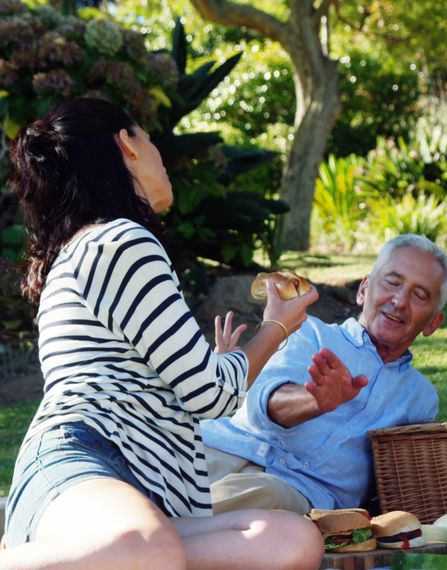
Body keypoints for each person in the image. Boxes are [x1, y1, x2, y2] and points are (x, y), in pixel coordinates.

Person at [1, 98, 323, 569]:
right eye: (150, 139)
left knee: (289, 539)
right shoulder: (119, 241)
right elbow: (212, 394)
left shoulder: (94, 243)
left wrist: (217, 362)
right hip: (86, 464)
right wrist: (276, 325)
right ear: (126, 145)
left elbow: (189, 386)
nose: (160, 153)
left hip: (145, 489)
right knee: (149, 549)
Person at [200, 234, 447, 514]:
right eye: (392, 282)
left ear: (432, 322)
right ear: (363, 290)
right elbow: (261, 405)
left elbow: (406, 479)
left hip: (299, 491)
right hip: (226, 446)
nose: (399, 300)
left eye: (419, 295)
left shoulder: (420, 398)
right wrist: (315, 401)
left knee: (261, 494)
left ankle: (153, 537)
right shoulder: (309, 330)